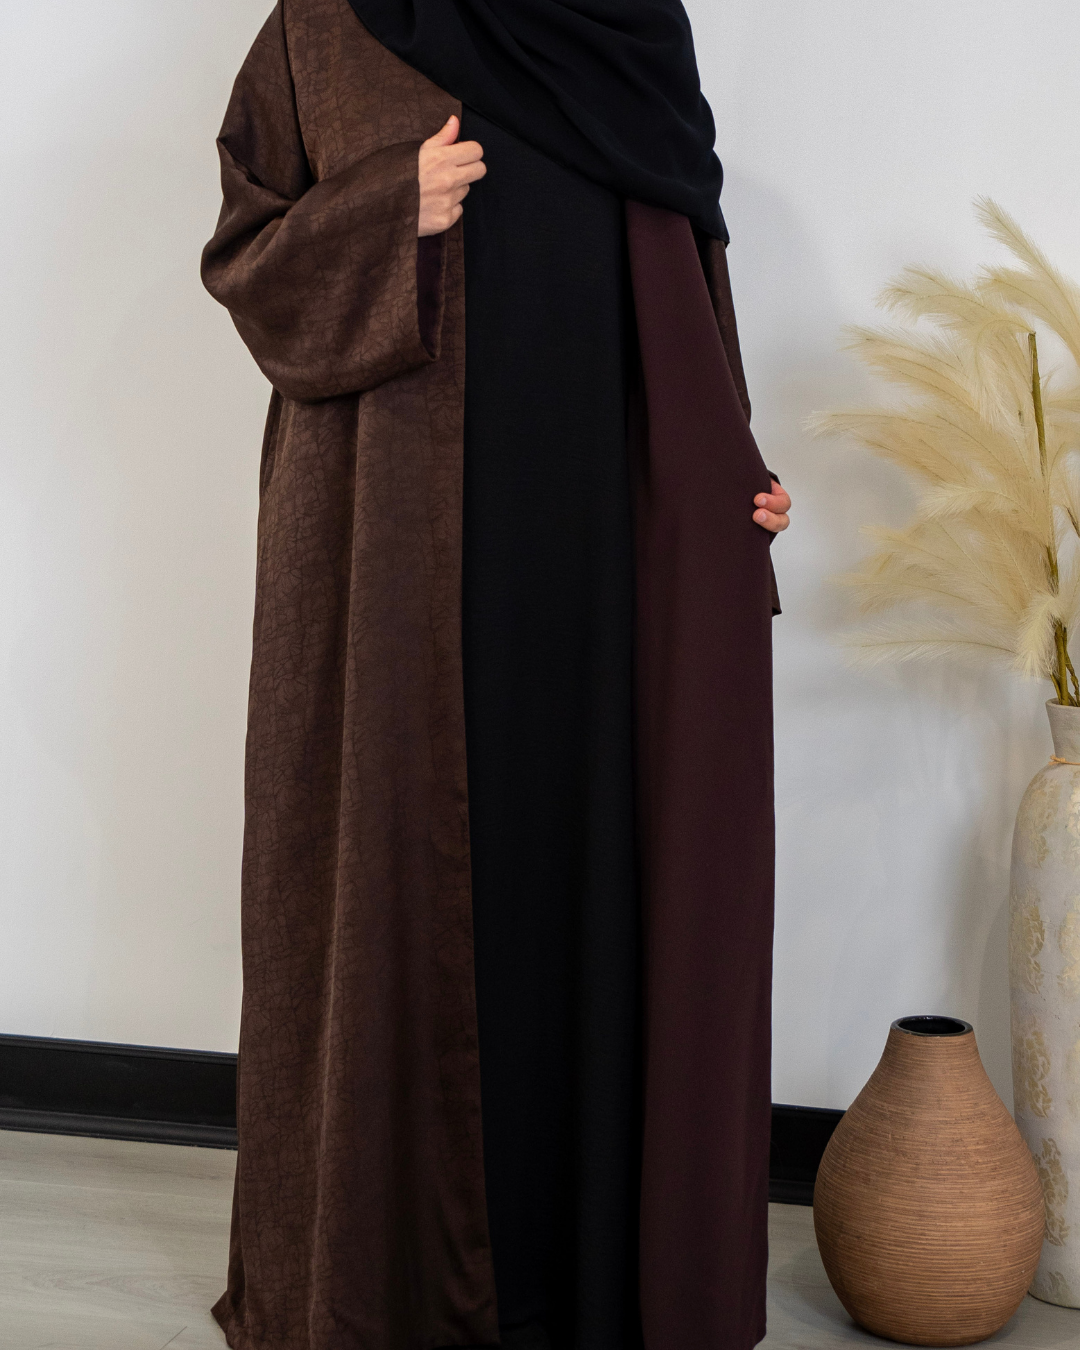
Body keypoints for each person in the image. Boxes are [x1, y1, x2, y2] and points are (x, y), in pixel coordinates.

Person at [201, 3, 790, 1349]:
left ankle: (590, 1286)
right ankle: (396, 1279)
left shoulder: (631, 26)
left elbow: (685, 276)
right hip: (387, 571)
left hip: (598, 568)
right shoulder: (325, 26)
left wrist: (729, 467)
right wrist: (382, 214)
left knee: (591, 889)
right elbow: (244, 256)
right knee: (403, 885)